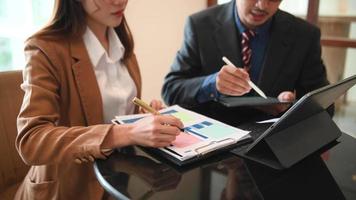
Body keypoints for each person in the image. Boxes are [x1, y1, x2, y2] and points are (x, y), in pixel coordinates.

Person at [15, 0, 183, 199]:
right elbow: (31, 141)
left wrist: (140, 117)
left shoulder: (121, 41)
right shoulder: (44, 48)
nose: (120, 1)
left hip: (119, 177)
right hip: (68, 187)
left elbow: (108, 109)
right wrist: (126, 132)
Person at [162, 0, 332, 117]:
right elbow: (171, 91)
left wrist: (293, 106)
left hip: (272, 144)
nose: (262, 6)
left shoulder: (304, 35)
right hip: (213, 146)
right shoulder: (200, 25)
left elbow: (326, 105)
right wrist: (212, 84)